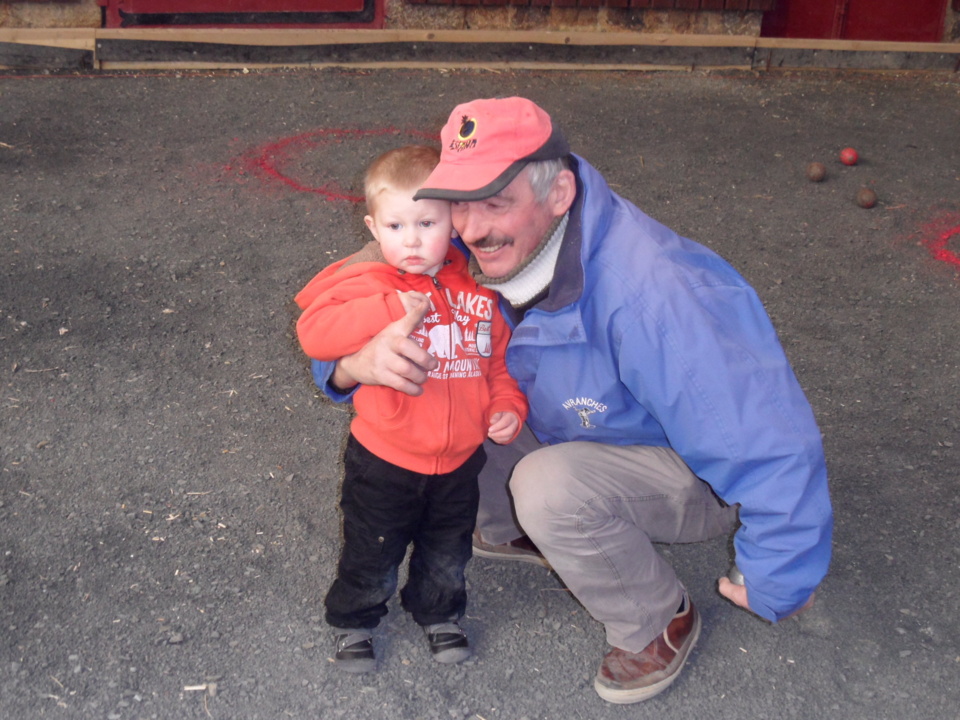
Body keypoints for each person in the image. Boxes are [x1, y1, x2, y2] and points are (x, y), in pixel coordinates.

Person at [314, 98, 833, 702]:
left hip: (689, 470)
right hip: (578, 412)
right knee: (450, 375)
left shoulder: (655, 297)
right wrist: (352, 366)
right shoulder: (456, 234)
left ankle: (655, 618)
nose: (471, 228)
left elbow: (764, 440)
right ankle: (513, 527)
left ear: (559, 194)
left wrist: (781, 571)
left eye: (496, 202)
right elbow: (346, 293)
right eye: (456, 205)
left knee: (549, 488)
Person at [294, 144, 528, 673]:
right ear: (373, 229)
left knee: (447, 551)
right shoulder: (368, 284)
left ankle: (440, 613)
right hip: (385, 459)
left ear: (453, 221)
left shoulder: (478, 290)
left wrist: (508, 403)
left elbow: (498, 362)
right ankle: (355, 621)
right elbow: (313, 333)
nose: (413, 240)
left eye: (427, 222)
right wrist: (388, 308)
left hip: (459, 461)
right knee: (372, 549)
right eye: (396, 227)